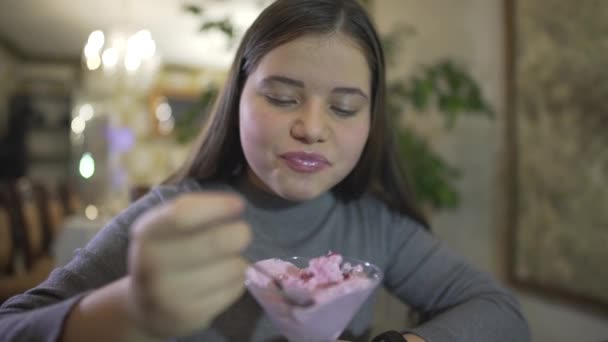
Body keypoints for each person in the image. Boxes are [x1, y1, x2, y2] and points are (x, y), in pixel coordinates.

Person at [0, 0, 530, 341]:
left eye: (344, 108)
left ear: (372, 120)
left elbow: (501, 313)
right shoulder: (171, 216)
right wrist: (129, 309)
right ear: (238, 101)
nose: (311, 127)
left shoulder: (378, 228)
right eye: (282, 98)